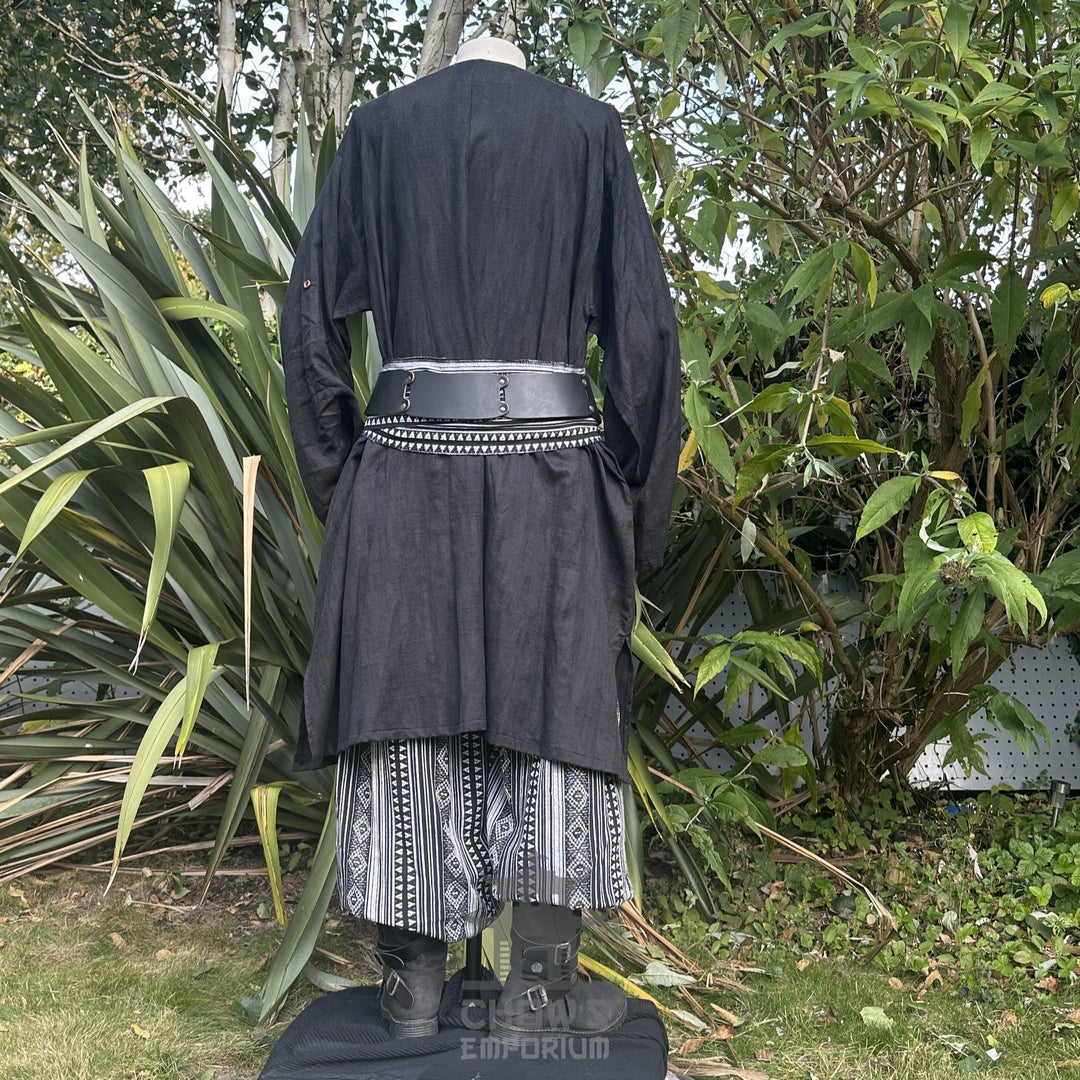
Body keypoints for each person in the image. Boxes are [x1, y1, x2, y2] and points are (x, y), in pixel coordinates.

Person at [281, 34, 680, 1042]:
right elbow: (643, 332)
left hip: (404, 469)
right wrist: (632, 504)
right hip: (556, 476)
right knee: (556, 711)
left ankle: (411, 992)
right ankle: (537, 991)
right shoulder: (587, 132)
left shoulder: (379, 132)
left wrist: (345, 478)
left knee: (406, 706)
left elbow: (310, 321)